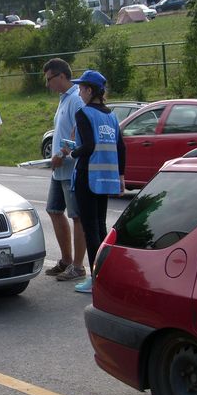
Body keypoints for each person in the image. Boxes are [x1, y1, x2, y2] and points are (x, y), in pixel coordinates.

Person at [65, 70, 126, 294]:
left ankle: (95, 279)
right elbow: (121, 146)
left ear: (90, 90)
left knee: (90, 230)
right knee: (100, 228)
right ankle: (105, 275)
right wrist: (121, 175)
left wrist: (72, 152)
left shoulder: (84, 113)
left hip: (87, 177)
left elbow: (88, 147)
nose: (79, 92)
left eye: (81, 88)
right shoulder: (111, 115)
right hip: (106, 179)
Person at [41, 58, 87, 282]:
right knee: (53, 210)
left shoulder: (77, 99)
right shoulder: (64, 99)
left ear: (61, 76)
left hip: (72, 169)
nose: (48, 84)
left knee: (77, 216)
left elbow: (78, 134)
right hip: (59, 169)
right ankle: (66, 260)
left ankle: (78, 266)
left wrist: (61, 154)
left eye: (50, 79)